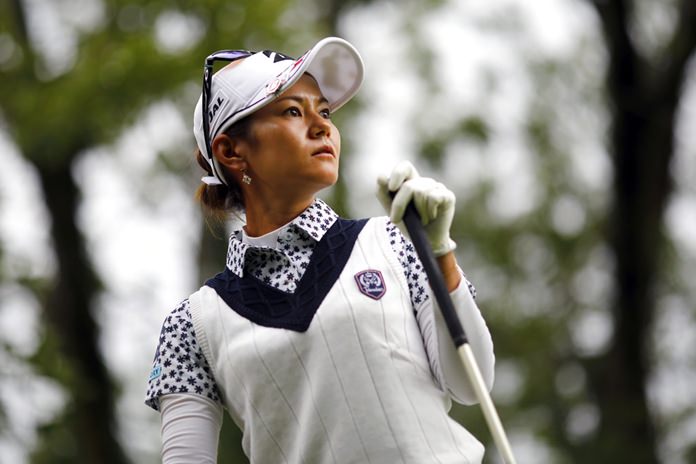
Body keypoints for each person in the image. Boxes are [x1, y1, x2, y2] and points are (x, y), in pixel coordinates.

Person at [145, 36, 495, 464]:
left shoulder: (392, 240)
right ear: (231, 151)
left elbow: (471, 383)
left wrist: (439, 252)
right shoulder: (192, 325)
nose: (321, 126)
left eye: (324, 111)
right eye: (293, 111)